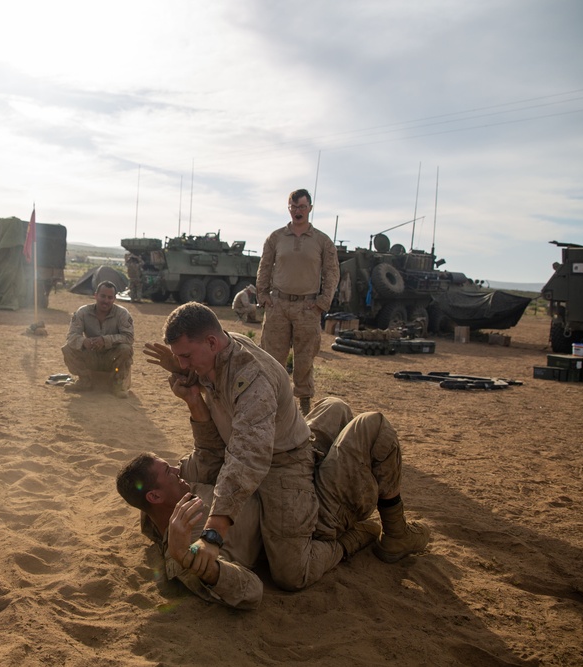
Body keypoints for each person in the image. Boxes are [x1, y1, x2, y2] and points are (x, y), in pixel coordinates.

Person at [142, 302, 428, 593]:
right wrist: (185, 374)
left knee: (292, 573)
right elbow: (219, 446)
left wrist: (213, 535)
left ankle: (392, 534)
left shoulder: (251, 378)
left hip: (283, 465)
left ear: (212, 342)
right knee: (333, 408)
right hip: (275, 442)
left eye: (187, 356)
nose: (184, 365)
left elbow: (247, 458)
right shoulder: (215, 353)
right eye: (180, 358)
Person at [117, 397, 429, 609]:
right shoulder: (188, 546)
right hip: (307, 514)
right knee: (371, 425)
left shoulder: (162, 507)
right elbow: (250, 591)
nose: (175, 469)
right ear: (155, 495)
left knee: (334, 406)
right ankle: (396, 534)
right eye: (167, 471)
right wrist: (194, 562)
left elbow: (206, 456)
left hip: (284, 477)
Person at [256, 188, 339, 414]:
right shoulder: (276, 238)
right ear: (289, 208)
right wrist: (262, 296)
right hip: (278, 306)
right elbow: (264, 266)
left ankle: (303, 408)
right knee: (272, 359)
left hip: (307, 308)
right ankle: (271, 407)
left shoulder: (322, 241)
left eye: (302, 207)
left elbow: (332, 272)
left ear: (310, 208)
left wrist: (323, 302)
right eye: (293, 207)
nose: (297, 211)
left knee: (304, 361)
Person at [62, 280, 134, 398]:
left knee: (126, 349)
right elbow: (71, 336)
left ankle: (117, 383)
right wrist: (83, 342)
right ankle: (85, 381)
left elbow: (129, 338)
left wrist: (105, 341)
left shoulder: (122, 314)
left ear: (114, 299)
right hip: (91, 355)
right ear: (95, 295)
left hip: (112, 357)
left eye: (110, 297)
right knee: (68, 348)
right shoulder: (82, 312)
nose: (106, 301)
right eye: (103, 296)